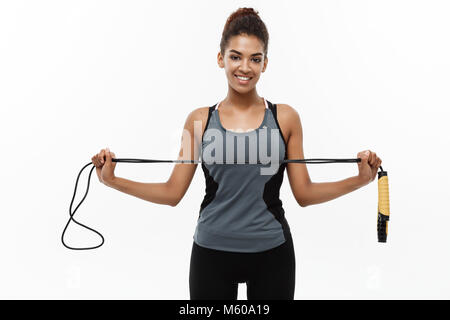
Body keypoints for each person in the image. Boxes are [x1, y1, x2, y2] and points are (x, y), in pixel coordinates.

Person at [91, 7, 382, 300]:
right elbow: (172, 192)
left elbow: (304, 194)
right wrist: (112, 180)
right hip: (211, 253)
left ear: (265, 63)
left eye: (255, 59)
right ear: (221, 58)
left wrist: (360, 180)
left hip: (272, 253)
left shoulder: (285, 118)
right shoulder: (199, 121)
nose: (245, 67)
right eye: (235, 56)